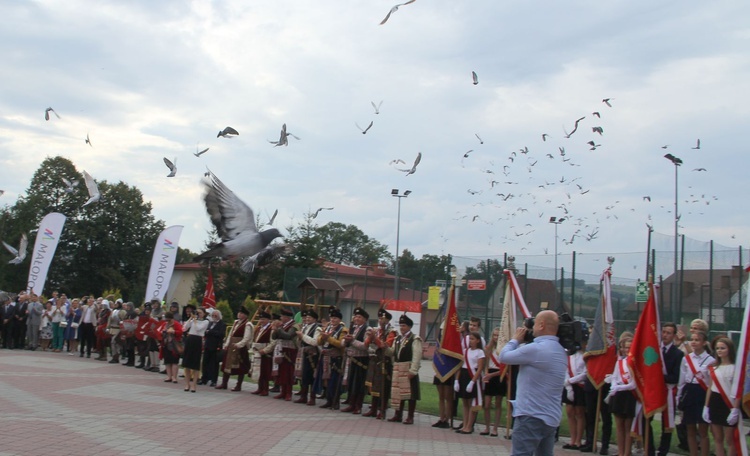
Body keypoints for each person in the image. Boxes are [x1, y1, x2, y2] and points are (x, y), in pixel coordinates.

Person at [499, 310, 567, 456]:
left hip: (531, 415)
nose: (532, 328)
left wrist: (515, 340)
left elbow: (504, 356)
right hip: (550, 418)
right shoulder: (560, 350)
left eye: (534, 324)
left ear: (541, 325)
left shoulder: (537, 349)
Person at [648, 322, 685, 456]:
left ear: (674, 335)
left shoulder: (678, 354)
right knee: (646, 419)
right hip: (654, 391)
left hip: (668, 391)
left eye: (669, 333)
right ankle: (649, 450)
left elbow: (675, 377)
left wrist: (659, 377)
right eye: (663, 332)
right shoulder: (654, 350)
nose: (665, 335)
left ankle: (663, 452)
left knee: (667, 425)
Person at [677, 331, 714, 456]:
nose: (693, 342)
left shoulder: (711, 360)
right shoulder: (686, 359)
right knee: (690, 429)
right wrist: (679, 396)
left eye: (697, 340)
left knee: (703, 431)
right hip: (689, 393)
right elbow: (682, 380)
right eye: (692, 339)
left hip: (702, 393)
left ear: (704, 343)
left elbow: (711, 383)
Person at [703, 337, 738, 456]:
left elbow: (738, 390)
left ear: (729, 349)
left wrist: (735, 409)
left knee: (730, 440)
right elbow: (710, 387)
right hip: (715, 402)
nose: (719, 350)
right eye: (717, 348)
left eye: (722, 348)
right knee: (718, 438)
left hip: (729, 403)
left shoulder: (736, 368)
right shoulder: (713, 367)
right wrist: (706, 407)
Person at [386, 313, 422, 424]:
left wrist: (413, 370)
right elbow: (392, 352)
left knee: (411, 394)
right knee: (398, 392)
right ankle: (398, 414)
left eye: (404, 326)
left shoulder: (414, 339)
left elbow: (417, 355)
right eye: (401, 325)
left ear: (410, 327)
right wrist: (384, 347)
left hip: (408, 367)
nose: (402, 328)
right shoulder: (397, 339)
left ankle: (410, 416)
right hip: (398, 368)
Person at [605, 332, 637, 456]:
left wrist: (619, 387)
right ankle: (620, 452)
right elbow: (615, 376)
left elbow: (633, 383)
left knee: (628, 426)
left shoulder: (634, 363)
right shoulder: (619, 363)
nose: (625, 350)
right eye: (623, 347)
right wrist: (614, 386)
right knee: (619, 425)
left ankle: (627, 453)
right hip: (619, 396)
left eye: (628, 347)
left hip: (630, 395)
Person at [363, 308, 397, 418]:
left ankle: (382, 410)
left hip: (384, 361)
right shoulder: (376, 330)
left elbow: (385, 345)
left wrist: (374, 338)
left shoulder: (392, 332)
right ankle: (373, 408)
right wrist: (370, 337)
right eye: (379, 318)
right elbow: (366, 344)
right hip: (374, 359)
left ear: (387, 320)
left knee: (383, 387)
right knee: (373, 385)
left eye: (382, 319)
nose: (380, 321)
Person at [314, 307, 348, 409]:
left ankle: (335, 401)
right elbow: (319, 342)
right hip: (325, 357)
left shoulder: (343, 330)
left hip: (335, 358)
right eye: (332, 318)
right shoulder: (327, 328)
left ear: (340, 320)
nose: (333, 320)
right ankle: (329, 400)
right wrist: (322, 337)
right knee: (326, 380)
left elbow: (340, 344)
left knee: (334, 380)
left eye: (335, 318)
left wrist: (328, 338)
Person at [452, 331, 485, 433]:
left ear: (478, 340)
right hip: (463, 375)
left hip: (472, 377)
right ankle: (464, 424)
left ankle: (469, 426)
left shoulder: (480, 352)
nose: (470, 341)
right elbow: (459, 367)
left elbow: (479, 368)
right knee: (465, 402)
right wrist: (456, 380)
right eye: (469, 339)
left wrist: (472, 382)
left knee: (471, 403)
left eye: (473, 339)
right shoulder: (465, 351)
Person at [216, 306, 254, 391]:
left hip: (240, 348)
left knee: (241, 366)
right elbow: (230, 334)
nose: (239, 314)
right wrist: (226, 344)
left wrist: (239, 344)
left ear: (245, 315)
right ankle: (224, 383)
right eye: (239, 313)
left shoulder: (248, 324)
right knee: (227, 364)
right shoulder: (236, 322)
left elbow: (247, 337)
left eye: (241, 313)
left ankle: (238, 385)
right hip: (231, 346)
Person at [341, 307, 370, 413]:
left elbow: (365, 346)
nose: (356, 318)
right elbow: (344, 343)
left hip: (361, 360)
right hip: (351, 359)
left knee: (359, 384)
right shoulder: (352, 328)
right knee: (351, 382)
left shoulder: (367, 330)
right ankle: (351, 404)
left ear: (365, 319)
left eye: (359, 317)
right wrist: (344, 341)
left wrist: (352, 341)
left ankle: (358, 406)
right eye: (356, 316)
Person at [563, 342, 587, 450]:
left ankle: (578, 440)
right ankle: (572, 439)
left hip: (580, 385)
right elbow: (566, 370)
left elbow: (585, 373)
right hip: (569, 385)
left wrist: (572, 380)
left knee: (579, 413)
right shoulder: (569, 356)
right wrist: (568, 384)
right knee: (570, 412)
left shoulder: (585, 356)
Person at [481, 327, 505, 437]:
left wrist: (491, 375)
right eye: (494, 335)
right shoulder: (488, 348)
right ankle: (487, 427)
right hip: (489, 374)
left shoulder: (504, 349)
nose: (496, 337)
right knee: (486, 404)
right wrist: (486, 373)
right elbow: (486, 363)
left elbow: (505, 368)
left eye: (498, 336)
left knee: (498, 403)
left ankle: (495, 428)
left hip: (499, 375)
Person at [295, 309, 321, 405]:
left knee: (312, 376)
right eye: (306, 317)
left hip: (312, 355)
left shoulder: (317, 329)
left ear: (314, 319)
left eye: (310, 317)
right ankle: (303, 396)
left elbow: (315, 342)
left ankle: (312, 398)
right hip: (304, 353)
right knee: (303, 375)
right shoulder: (305, 327)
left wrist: (302, 336)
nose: (307, 319)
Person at [272, 308, 299, 401]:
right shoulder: (282, 325)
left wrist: (279, 329)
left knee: (289, 372)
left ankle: (288, 393)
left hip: (290, 351)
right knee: (282, 372)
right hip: (281, 349)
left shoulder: (294, 326)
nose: (281, 318)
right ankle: (282, 392)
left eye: (282, 316)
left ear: (287, 317)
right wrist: (275, 330)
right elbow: (274, 337)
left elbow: (288, 336)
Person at [182, 307, 208, 391]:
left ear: (204, 314)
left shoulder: (205, 321)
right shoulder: (193, 320)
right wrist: (190, 318)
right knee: (187, 363)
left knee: (195, 364)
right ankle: (187, 384)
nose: (198, 314)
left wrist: (195, 320)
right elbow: (184, 328)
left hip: (197, 340)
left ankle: (194, 385)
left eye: (200, 313)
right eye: (197, 313)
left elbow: (198, 329)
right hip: (190, 339)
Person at [201, 308, 226, 387]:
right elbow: (205, 332)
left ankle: (213, 380)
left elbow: (221, 334)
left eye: (216, 315)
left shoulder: (222, 324)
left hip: (216, 347)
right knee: (205, 363)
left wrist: (210, 332)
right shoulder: (210, 323)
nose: (214, 317)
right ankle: (204, 378)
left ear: (219, 316)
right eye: (213, 315)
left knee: (214, 364)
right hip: (208, 346)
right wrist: (207, 332)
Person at [251, 311, 273, 396]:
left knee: (265, 371)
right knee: (258, 370)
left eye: (263, 319)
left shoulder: (270, 329)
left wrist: (265, 350)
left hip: (265, 353)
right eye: (260, 319)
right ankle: (259, 388)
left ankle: (265, 389)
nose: (261, 321)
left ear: (268, 319)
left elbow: (272, 342)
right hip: (257, 352)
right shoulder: (259, 328)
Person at [158, 311, 184, 385]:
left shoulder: (176, 324)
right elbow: (159, 331)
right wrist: (163, 332)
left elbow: (180, 332)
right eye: (166, 320)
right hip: (166, 345)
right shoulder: (164, 324)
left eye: (169, 320)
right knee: (167, 361)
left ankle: (174, 377)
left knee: (175, 361)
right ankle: (169, 376)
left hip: (174, 345)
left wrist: (173, 331)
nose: (167, 321)